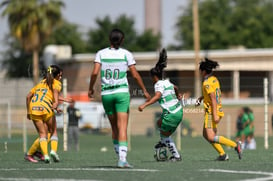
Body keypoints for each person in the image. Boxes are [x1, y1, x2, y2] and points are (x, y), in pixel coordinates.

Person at [88, 28, 151, 168]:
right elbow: (135, 75)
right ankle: (122, 159)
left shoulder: (101, 54)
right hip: (122, 93)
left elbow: (94, 73)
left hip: (107, 94)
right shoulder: (126, 54)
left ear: (109, 40)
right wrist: (144, 91)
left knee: (114, 128)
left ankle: (119, 155)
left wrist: (91, 88)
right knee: (122, 127)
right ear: (122, 40)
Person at [138, 48, 183, 162]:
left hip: (171, 113)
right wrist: (178, 95)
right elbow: (176, 88)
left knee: (165, 135)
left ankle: (176, 156)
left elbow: (157, 96)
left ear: (154, 77)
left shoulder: (158, 84)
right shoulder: (167, 82)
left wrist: (144, 105)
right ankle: (163, 143)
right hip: (179, 111)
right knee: (159, 122)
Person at [195, 58, 242, 161]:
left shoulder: (206, 83)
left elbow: (212, 98)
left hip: (212, 112)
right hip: (217, 109)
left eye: (200, 71)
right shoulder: (214, 79)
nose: (200, 73)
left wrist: (214, 114)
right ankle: (223, 155)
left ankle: (235, 145)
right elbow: (212, 94)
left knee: (211, 137)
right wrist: (201, 98)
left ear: (203, 71)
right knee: (206, 134)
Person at [25, 68, 72, 163]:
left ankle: (41, 153)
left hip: (34, 108)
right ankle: (43, 152)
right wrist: (56, 104)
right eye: (60, 75)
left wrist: (28, 112)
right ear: (57, 75)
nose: (61, 77)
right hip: (45, 109)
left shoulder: (42, 82)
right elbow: (54, 93)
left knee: (43, 134)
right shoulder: (56, 83)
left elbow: (33, 96)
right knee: (51, 132)